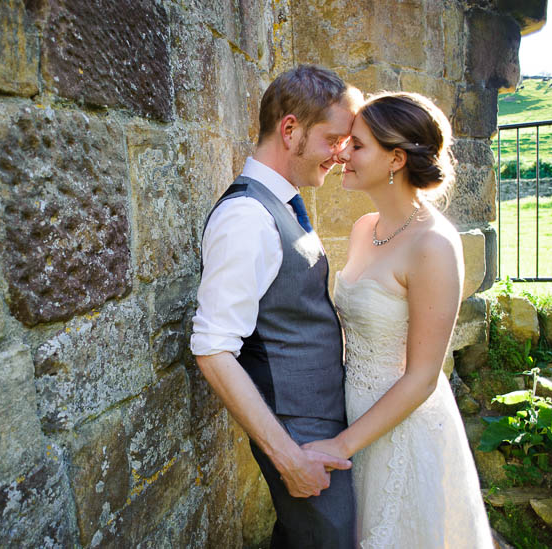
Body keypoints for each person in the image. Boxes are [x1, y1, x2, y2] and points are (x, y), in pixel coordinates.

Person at [303, 92, 493, 547]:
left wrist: (341, 445)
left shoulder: (434, 246)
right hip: (355, 410)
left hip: (405, 425)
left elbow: (424, 377)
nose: (343, 153)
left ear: (396, 158)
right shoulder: (364, 228)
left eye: (358, 145)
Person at [191, 64, 361, 548]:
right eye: (333, 138)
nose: (340, 154)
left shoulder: (280, 204)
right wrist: (288, 457)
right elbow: (213, 349)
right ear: (291, 129)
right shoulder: (246, 216)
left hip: (323, 426)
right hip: (301, 440)